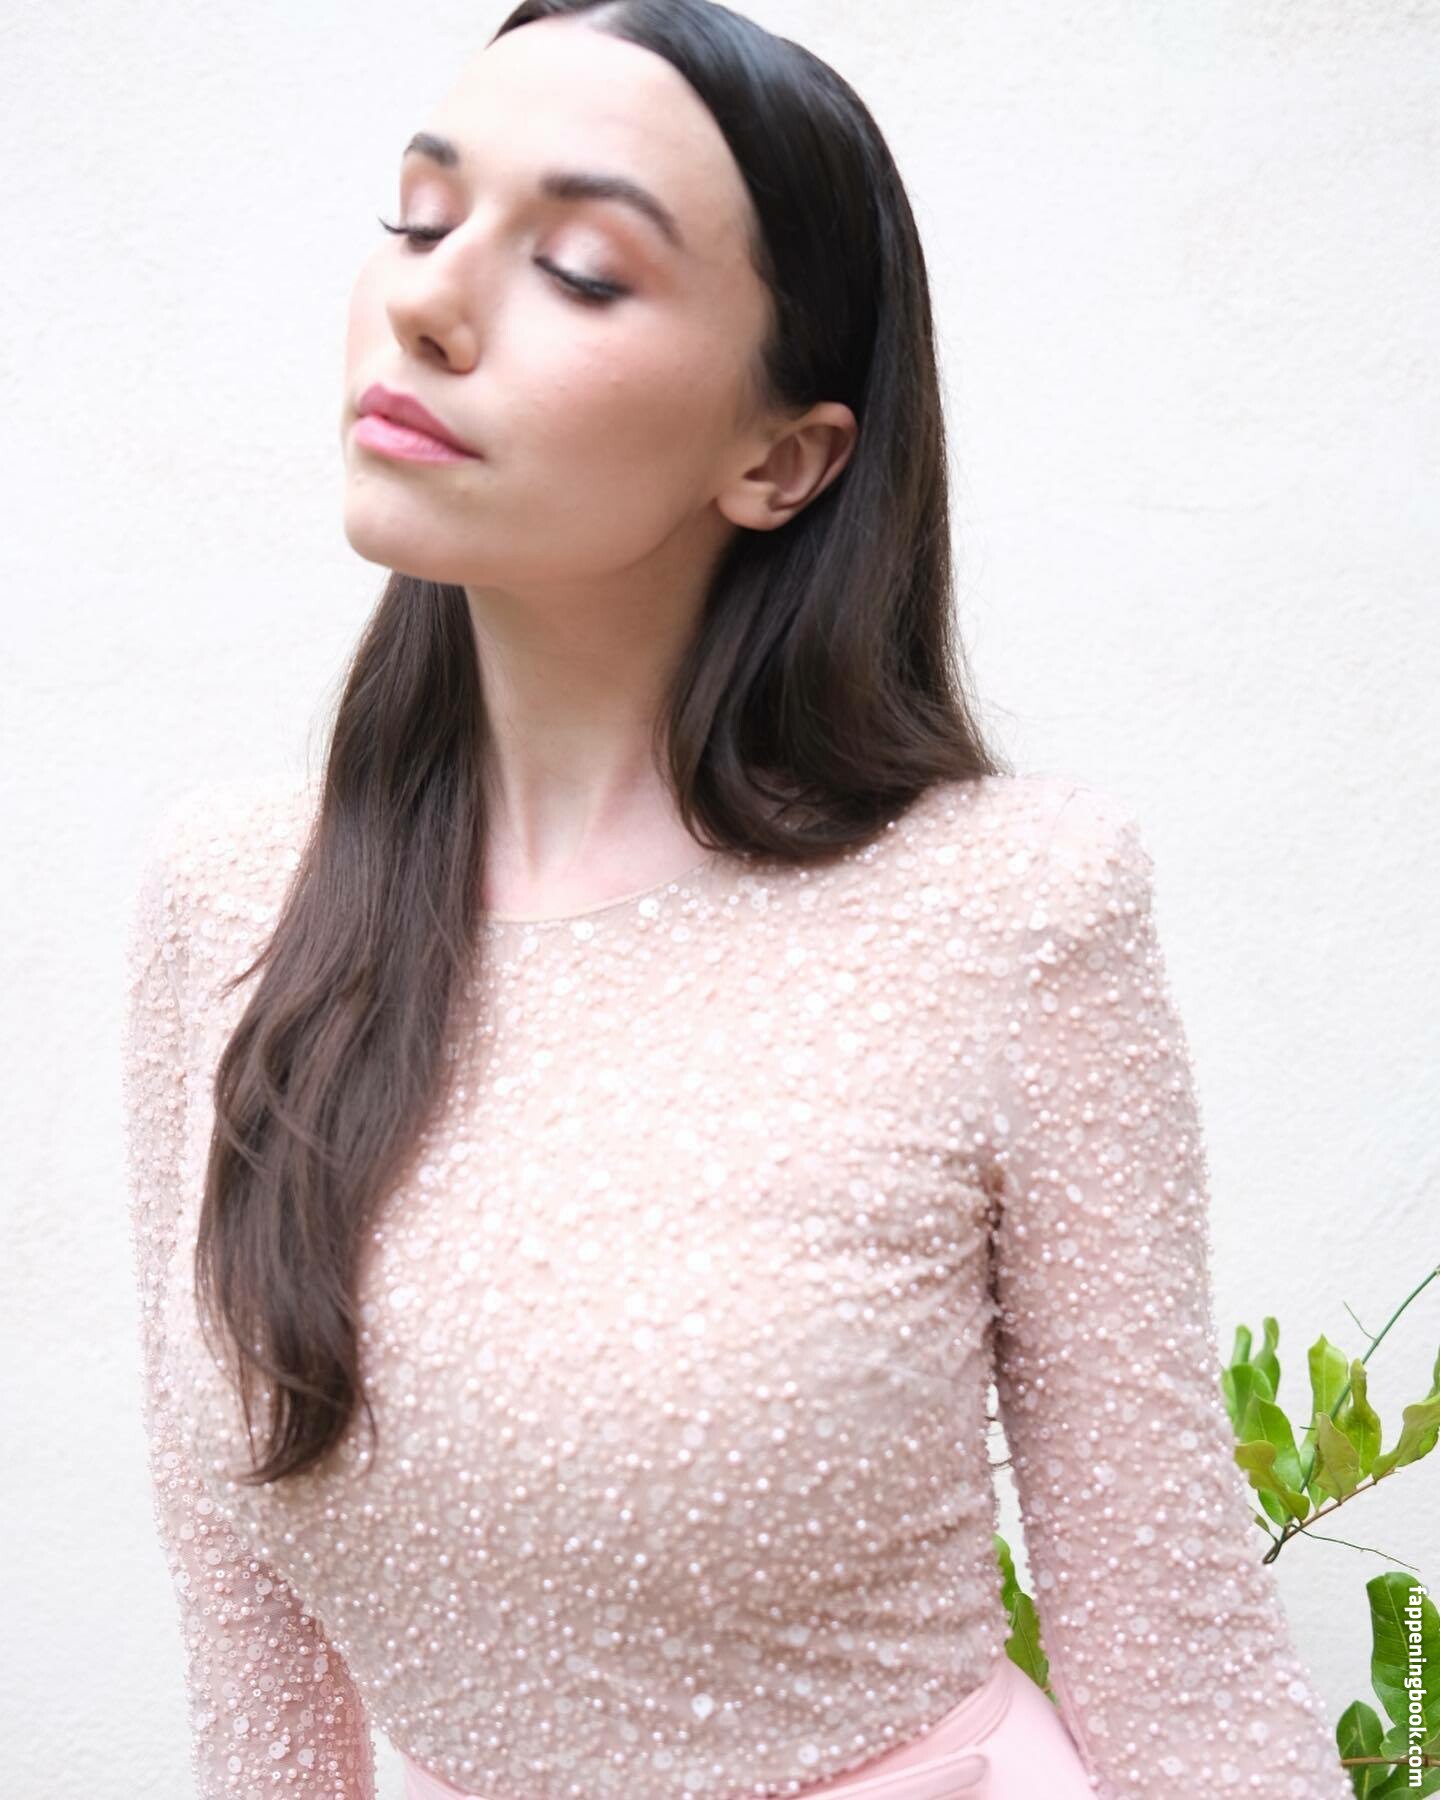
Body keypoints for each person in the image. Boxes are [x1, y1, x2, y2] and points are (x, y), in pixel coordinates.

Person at [119, 2, 1353, 1796]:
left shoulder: (1013, 908)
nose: (430, 301)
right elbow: (252, 1688)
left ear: (784, 457)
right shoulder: (232, 896)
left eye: (582, 269)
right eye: (420, 216)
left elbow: (1175, 1649)